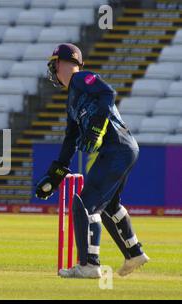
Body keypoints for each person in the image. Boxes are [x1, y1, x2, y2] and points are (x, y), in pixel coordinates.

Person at [35, 43, 150, 278]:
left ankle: (89, 265)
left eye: (54, 65)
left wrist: (96, 127)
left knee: (83, 204)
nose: (53, 71)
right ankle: (134, 252)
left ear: (59, 63)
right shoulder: (71, 101)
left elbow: (108, 93)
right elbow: (70, 141)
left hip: (117, 148)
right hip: (124, 148)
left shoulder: (80, 79)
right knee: (109, 206)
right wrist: (54, 176)